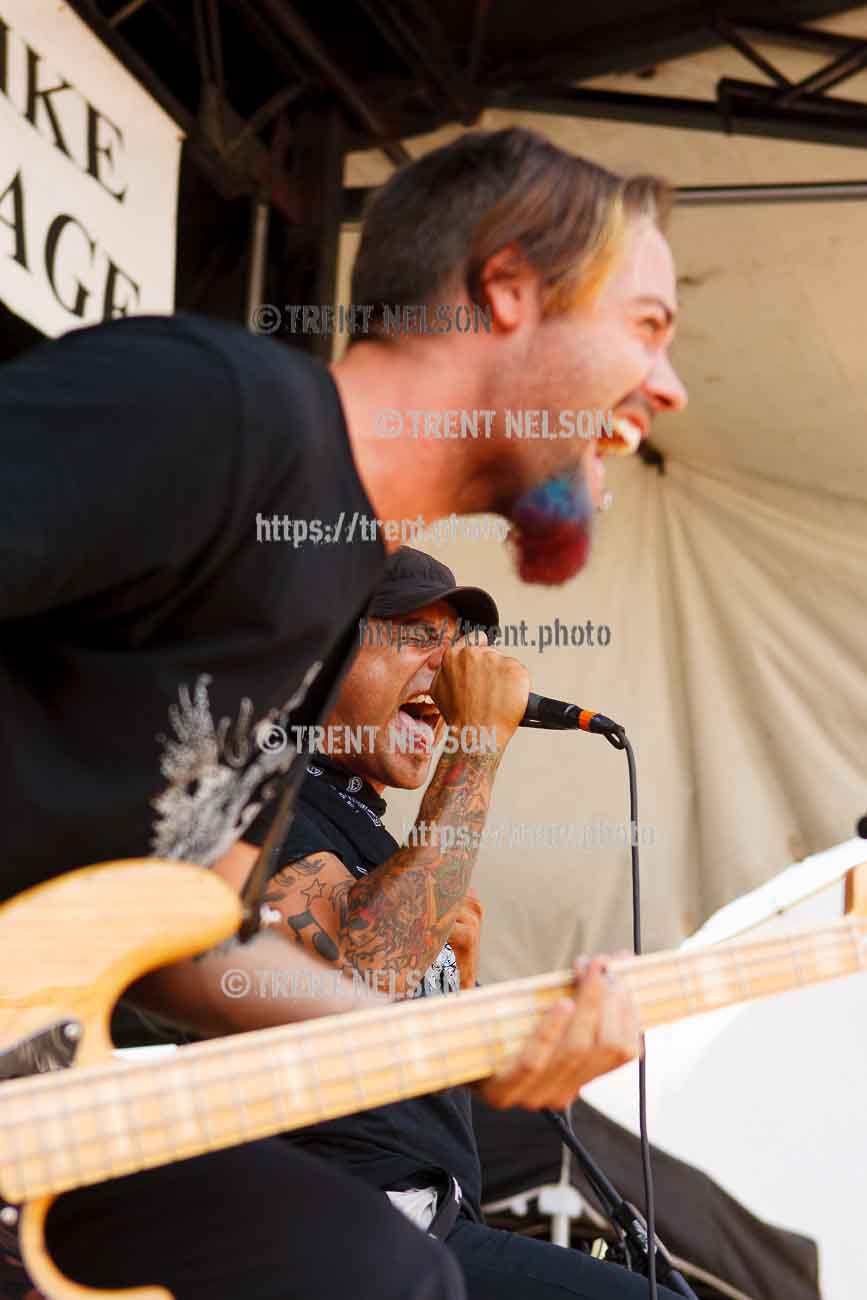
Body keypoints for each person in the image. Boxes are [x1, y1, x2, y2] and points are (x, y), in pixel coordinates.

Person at [0, 126, 685, 1300]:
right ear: (510, 288)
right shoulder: (225, 411)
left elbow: (190, 947)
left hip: (46, 1124)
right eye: (647, 325)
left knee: (373, 1272)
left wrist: (486, 1036)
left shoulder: (316, 608)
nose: (666, 387)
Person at [232, 545, 682, 1299]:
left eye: (456, 646)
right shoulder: (263, 797)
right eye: (415, 637)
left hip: (422, 1224)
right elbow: (369, 973)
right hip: (334, 1225)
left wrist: (460, 1002)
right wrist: (476, 745)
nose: (448, 671)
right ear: (320, 650)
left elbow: (379, 1037)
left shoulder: (370, 834)